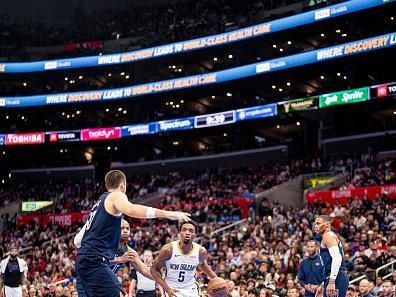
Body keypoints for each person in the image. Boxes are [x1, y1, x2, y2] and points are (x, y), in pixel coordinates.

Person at [75, 170, 190, 297]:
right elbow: (131, 209)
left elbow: (77, 241)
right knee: (119, 294)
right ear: (123, 184)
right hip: (94, 261)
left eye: (127, 228)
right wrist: (168, 213)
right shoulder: (116, 195)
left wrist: (167, 282)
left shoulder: (99, 204)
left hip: (83, 261)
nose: (124, 231)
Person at [75, 219, 152, 297]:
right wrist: (120, 259)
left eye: (127, 228)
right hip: (87, 279)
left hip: (104, 283)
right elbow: (94, 261)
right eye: (122, 228)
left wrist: (161, 279)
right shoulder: (103, 244)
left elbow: (144, 270)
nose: (125, 231)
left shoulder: (130, 252)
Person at [150, 221, 217, 297]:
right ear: (180, 233)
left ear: (195, 235)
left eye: (191, 231)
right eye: (184, 230)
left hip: (190, 289)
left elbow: (202, 265)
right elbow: (154, 270)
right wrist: (167, 288)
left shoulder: (201, 251)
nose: (187, 232)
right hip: (172, 288)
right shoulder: (168, 250)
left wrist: (217, 279)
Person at [314, 215, 349, 297]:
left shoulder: (328, 235)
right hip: (335, 276)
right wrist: (323, 284)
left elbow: (337, 258)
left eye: (318, 223)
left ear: (327, 224)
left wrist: (332, 281)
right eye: (315, 223)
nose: (315, 226)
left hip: (337, 277)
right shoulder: (328, 236)